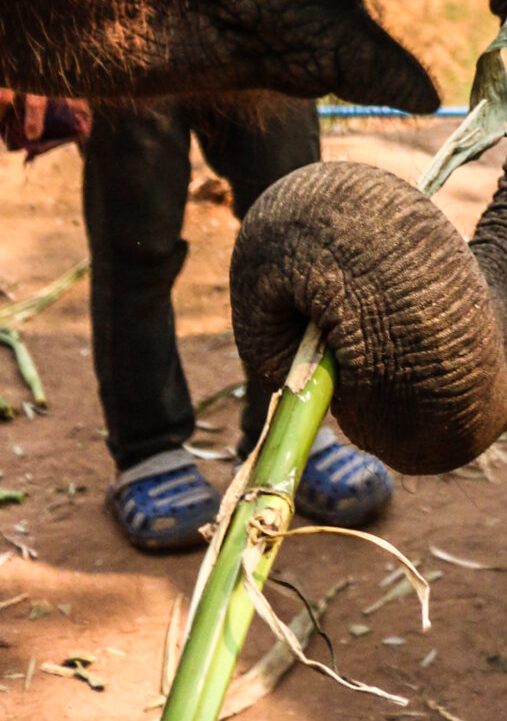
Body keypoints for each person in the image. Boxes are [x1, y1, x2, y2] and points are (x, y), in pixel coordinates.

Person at [84, 100, 397, 552]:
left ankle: (287, 433)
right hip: (131, 43)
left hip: (263, 37)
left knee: (295, 230)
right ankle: (147, 448)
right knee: (135, 242)